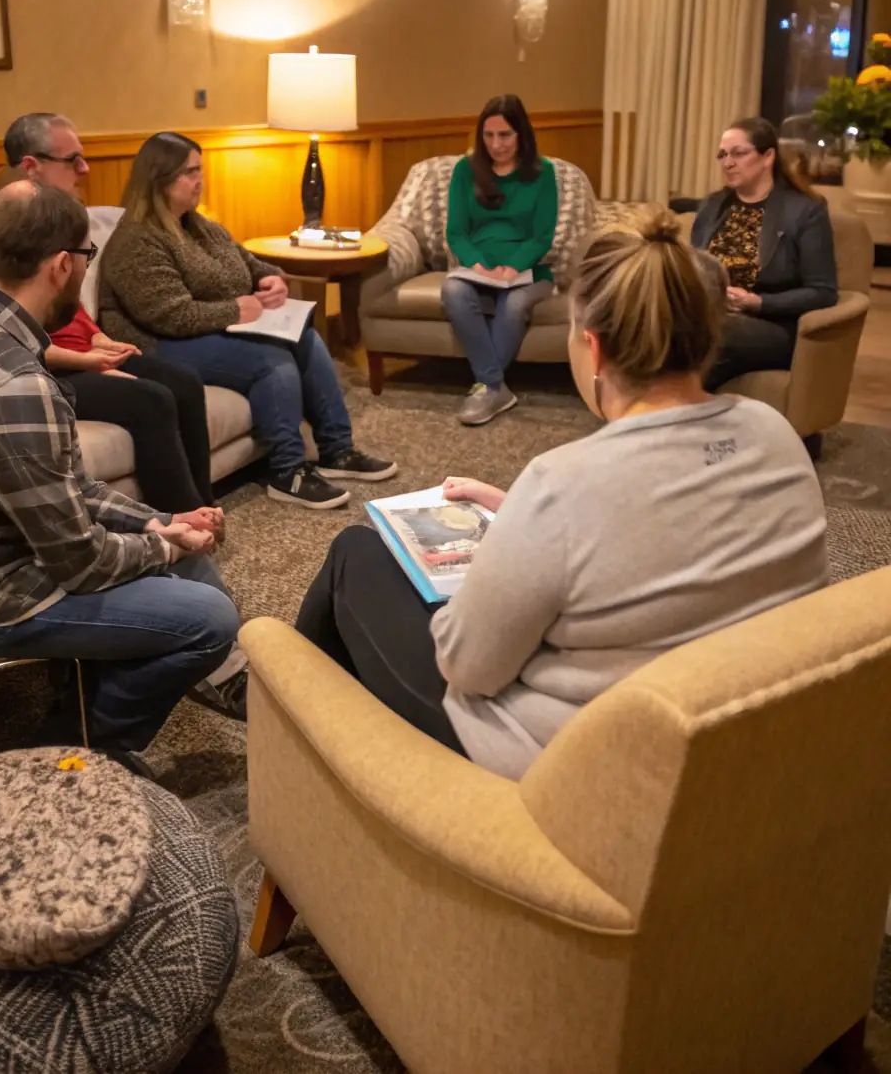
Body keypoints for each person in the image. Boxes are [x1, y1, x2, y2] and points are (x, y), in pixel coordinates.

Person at [295, 207, 829, 780]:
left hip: (569, 769)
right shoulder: (776, 433)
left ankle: (303, 745)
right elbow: (669, 525)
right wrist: (521, 517)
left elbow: (467, 668)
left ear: (594, 350)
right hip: (735, 744)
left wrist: (483, 577)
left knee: (355, 553)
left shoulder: (564, 482)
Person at [0, 181, 245, 764]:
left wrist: (161, 523)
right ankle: (69, 745)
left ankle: (207, 672)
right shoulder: (18, 387)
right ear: (63, 264)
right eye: (85, 258)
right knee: (210, 617)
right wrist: (164, 547)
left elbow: (66, 487)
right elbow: (83, 561)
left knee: (176, 542)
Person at [98, 132, 397, 510]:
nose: (200, 180)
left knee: (304, 336)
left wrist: (269, 279)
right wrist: (237, 310)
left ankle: (337, 449)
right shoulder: (137, 240)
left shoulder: (198, 224)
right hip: (158, 346)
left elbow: (249, 264)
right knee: (271, 360)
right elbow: (168, 315)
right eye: (190, 172)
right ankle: (287, 472)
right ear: (161, 178)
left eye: (200, 170)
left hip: (214, 329)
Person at [0, 112, 217, 514]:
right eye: (73, 160)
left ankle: (204, 507)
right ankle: (181, 521)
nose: (85, 170)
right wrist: (88, 362)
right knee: (151, 400)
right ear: (32, 167)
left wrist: (101, 341)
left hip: (78, 356)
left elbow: (71, 311)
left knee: (184, 382)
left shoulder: (50, 229)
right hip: (37, 370)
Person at [692, 116, 838, 393]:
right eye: (722, 155)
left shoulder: (806, 211)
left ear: (768, 156)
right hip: (710, 313)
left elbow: (823, 291)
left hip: (772, 324)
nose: (728, 162)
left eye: (738, 153)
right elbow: (695, 265)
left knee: (709, 335)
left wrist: (758, 302)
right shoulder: (713, 205)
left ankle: (668, 418)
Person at [442, 95, 560, 426]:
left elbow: (541, 236)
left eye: (505, 135)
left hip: (528, 271)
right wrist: (478, 264)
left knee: (513, 305)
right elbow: (456, 233)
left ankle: (487, 387)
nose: (497, 144)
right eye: (489, 135)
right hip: (476, 269)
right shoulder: (466, 170)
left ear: (521, 133)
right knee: (453, 291)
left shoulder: (543, 172)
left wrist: (514, 267)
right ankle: (495, 386)